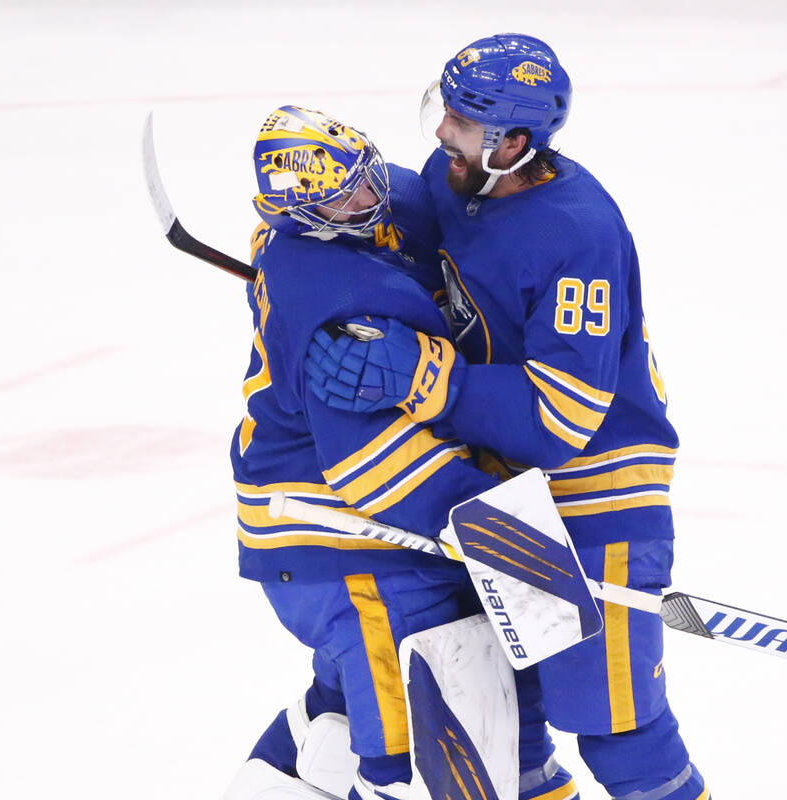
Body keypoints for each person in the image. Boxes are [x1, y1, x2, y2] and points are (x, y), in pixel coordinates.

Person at [305, 34, 709, 800]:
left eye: (459, 121)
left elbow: (562, 418)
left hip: (598, 500)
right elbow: (391, 235)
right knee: (507, 732)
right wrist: (313, 229)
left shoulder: (577, 234)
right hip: (502, 498)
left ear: (514, 142)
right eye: (444, 109)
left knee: (620, 733)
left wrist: (422, 376)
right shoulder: (456, 180)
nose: (438, 134)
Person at [223, 105, 576, 800]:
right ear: (302, 213)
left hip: (370, 542)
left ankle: (274, 776)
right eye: (341, 196)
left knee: (375, 701)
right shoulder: (338, 318)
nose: (367, 197)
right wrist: (509, 534)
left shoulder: (364, 209)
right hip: (341, 542)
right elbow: (377, 470)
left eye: (363, 174)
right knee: (410, 763)